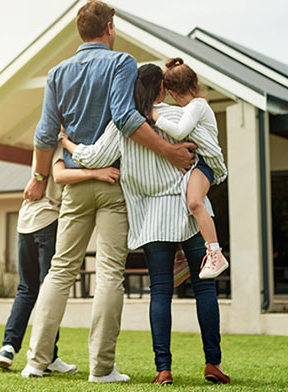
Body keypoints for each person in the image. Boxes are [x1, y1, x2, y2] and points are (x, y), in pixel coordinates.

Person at [21, 1, 195, 382]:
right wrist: (169, 150)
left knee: (60, 270)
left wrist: (38, 176)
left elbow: (45, 133)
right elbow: (126, 116)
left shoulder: (56, 73)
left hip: (76, 184)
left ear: (81, 32)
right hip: (114, 181)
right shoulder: (121, 63)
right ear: (110, 28)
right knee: (110, 273)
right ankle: (101, 369)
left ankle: (35, 361)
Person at [61, 63, 230, 385]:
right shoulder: (180, 116)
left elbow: (94, 158)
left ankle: (163, 369)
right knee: (205, 287)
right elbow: (206, 151)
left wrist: (66, 143)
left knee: (161, 291)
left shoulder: (123, 123)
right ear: (163, 89)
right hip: (189, 212)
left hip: (152, 220)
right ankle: (213, 363)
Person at [0, 144, 119, 373]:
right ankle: (47, 357)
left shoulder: (42, 145)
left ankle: (9, 347)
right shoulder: (58, 144)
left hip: (26, 220)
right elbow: (61, 176)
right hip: (48, 220)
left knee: (26, 288)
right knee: (52, 286)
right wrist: (95, 174)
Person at [152, 58, 228, 279]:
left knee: (194, 202)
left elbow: (179, 131)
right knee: (179, 201)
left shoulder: (196, 106)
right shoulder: (192, 107)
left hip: (206, 163)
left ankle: (215, 253)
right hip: (199, 162)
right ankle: (181, 255)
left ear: (172, 93)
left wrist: (155, 115)